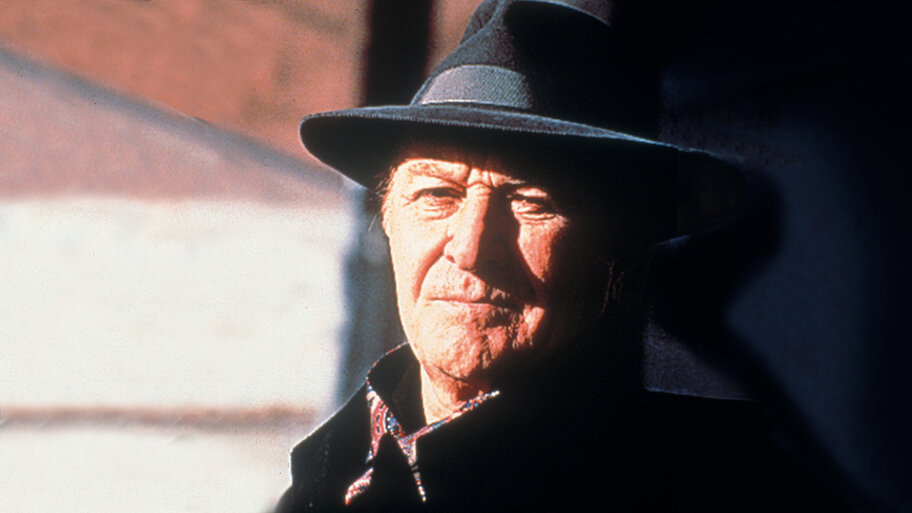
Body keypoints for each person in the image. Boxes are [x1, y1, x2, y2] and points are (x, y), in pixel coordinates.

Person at [276, 1, 852, 511]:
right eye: (437, 196)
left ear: (619, 247)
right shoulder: (326, 479)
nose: (471, 248)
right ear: (388, 219)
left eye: (532, 202)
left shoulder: (731, 490)